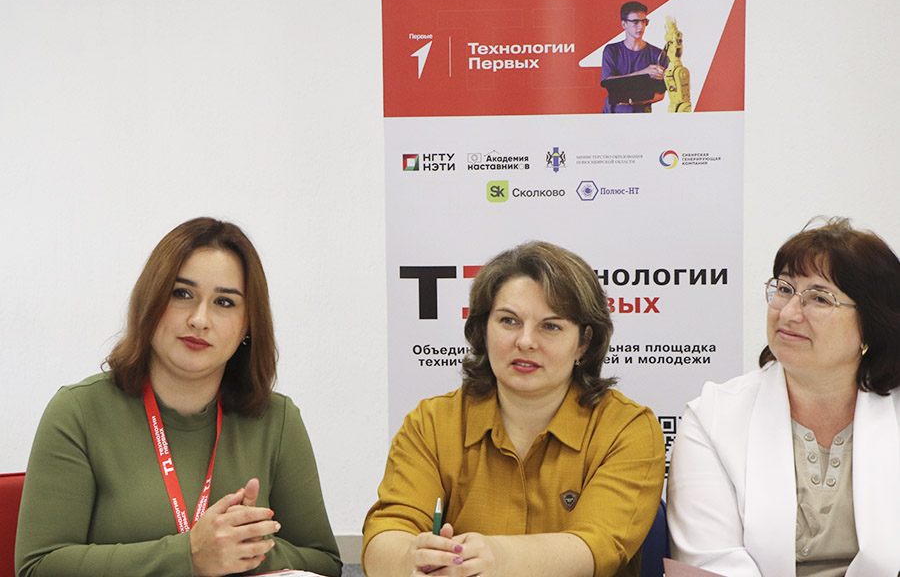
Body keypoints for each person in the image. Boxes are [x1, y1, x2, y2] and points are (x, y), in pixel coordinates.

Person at [15, 218, 342, 577]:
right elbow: (38, 567)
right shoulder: (78, 412)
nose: (200, 320)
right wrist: (188, 555)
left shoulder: (277, 420)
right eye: (182, 294)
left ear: (248, 326)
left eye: (224, 302)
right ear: (151, 300)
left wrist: (246, 548)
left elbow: (325, 562)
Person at [362, 241, 665, 577]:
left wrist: (496, 558)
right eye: (509, 321)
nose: (525, 341)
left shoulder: (627, 428)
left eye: (551, 326)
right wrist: (411, 560)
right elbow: (385, 534)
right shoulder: (432, 423)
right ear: (483, 329)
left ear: (583, 342)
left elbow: (599, 546)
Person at [667, 217, 900, 576]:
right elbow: (711, 564)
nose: (788, 313)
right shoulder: (712, 417)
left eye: (819, 298)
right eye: (784, 289)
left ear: (871, 325)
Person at [601, 1, 668, 113]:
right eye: (635, 22)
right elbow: (609, 84)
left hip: (642, 117)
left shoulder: (658, 55)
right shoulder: (612, 50)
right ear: (624, 24)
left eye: (644, 21)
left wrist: (635, 101)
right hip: (612, 116)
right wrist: (644, 73)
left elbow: (660, 94)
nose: (641, 27)